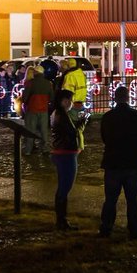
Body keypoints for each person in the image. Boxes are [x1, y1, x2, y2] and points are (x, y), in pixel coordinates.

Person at [98, 85, 137, 239]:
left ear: (115, 98)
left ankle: (106, 228)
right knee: (132, 199)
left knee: (110, 198)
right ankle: (134, 230)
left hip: (113, 162)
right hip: (132, 161)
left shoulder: (108, 116)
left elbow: (104, 136)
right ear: (128, 98)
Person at [49, 89, 87, 231]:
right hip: (66, 154)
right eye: (70, 100)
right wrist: (82, 124)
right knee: (65, 187)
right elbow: (71, 133)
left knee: (63, 187)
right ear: (64, 101)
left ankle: (61, 219)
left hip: (61, 152)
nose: (71, 103)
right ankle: (61, 220)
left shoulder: (57, 114)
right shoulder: (62, 115)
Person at [20, 65, 54, 155]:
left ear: (36, 72)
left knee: (30, 130)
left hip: (32, 109)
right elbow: (51, 98)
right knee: (44, 130)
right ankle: (45, 148)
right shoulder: (48, 83)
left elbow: (24, 98)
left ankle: (28, 149)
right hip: (43, 110)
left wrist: (26, 103)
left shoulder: (30, 83)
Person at [61, 58, 88, 125]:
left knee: (72, 124)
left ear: (68, 65)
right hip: (81, 101)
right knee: (80, 124)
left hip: (72, 103)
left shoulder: (69, 75)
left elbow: (67, 91)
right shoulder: (81, 73)